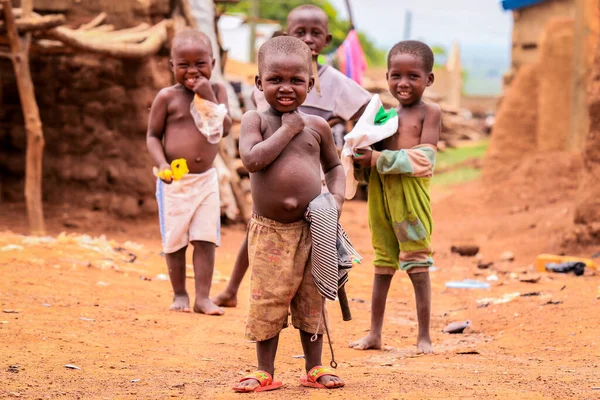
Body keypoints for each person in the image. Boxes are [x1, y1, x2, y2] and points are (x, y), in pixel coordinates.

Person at [213, 4, 371, 308]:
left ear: (327, 40)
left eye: (316, 33)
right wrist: (288, 128)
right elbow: (260, 129)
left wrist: (337, 125)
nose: (309, 39)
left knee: (319, 241)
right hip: (274, 171)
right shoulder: (272, 74)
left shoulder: (335, 81)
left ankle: (315, 300)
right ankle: (233, 288)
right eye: (301, 33)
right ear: (288, 34)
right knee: (258, 237)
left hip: (313, 173)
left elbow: (368, 110)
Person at [232, 36, 345, 392]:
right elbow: (252, 160)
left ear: (310, 85)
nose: (286, 88)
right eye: (275, 79)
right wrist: (287, 129)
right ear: (258, 82)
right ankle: (264, 370)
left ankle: (314, 367)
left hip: (313, 229)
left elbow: (335, 167)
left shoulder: (319, 127)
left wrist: (336, 201)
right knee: (269, 298)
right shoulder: (256, 120)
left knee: (312, 297)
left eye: (296, 80)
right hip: (271, 232)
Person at [349, 40, 441, 354]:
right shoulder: (384, 116)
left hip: (411, 199)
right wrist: (360, 159)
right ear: (386, 76)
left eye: (413, 76)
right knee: (382, 262)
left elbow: (424, 159)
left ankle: (424, 336)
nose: (403, 83)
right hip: (381, 196)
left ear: (428, 79)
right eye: (396, 75)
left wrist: (378, 160)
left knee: (417, 263)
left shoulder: (431, 112)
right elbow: (369, 160)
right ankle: (374, 333)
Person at [146, 29, 232, 315]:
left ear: (213, 64)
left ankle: (203, 297)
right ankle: (180, 293)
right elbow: (152, 136)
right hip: (175, 182)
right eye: (183, 65)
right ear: (172, 66)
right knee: (176, 240)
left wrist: (206, 96)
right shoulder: (166, 97)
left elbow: (225, 129)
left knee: (205, 239)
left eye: (200, 63)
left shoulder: (217, 91)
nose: (192, 71)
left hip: (206, 180)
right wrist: (161, 164)